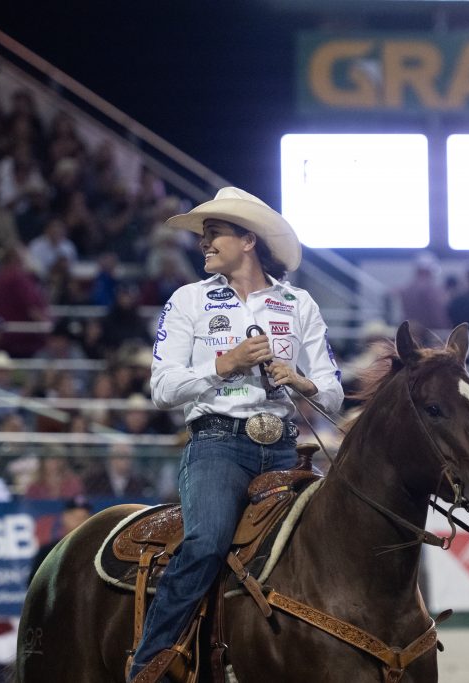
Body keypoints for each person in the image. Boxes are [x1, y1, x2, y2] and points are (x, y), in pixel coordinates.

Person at [128, 187, 344, 682]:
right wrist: (225, 365)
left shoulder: (298, 303)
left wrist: (298, 378)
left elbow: (332, 392)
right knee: (206, 541)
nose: (205, 244)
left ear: (248, 240)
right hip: (217, 444)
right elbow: (162, 388)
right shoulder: (188, 300)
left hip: (287, 447)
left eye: (215, 234)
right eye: (204, 237)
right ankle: (150, 665)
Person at [27, 495, 93, 585]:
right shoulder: (48, 551)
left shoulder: (97, 550)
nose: (79, 521)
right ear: (64, 518)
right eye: (74, 516)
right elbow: (33, 585)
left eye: (84, 517)